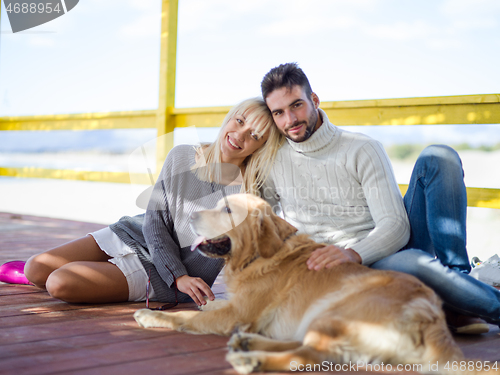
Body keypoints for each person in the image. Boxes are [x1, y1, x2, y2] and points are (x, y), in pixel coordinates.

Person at [260, 62, 500, 333]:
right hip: (336, 271)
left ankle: (458, 284)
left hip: (381, 251)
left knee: (439, 157)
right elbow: (249, 217)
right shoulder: (273, 161)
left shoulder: (361, 148)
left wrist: (352, 253)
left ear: (314, 100)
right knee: (414, 263)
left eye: (296, 105)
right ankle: (460, 304)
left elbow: (395, 226)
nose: (289, 120)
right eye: (278, 112)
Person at [22, 98, 284, 306]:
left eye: (255, 135)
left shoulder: (251, 195)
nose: (240, 135)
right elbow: (155, 221)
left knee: (59, 283)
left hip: (172, 277)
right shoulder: (182, 155)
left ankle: (108, 273)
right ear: (230, 117)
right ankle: (107, 269)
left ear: (261, 147)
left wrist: (179, 277)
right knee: (35, 268)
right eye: (239, 121)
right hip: (135, 234)